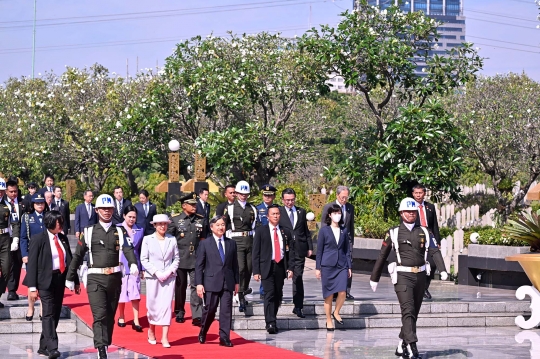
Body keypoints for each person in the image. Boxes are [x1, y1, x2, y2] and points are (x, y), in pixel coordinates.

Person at [370, 198, 448, 359]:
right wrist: (374, 278)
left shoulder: (425, 231)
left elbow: (434, 251)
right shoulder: (394, 232)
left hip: (420, 276)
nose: (411, 214)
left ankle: (401, 344)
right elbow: (382, 255)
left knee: (414, 313)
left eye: (413, 212)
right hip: (402, 276)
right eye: (408, 211)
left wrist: (443, 270)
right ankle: (412, 347)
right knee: (408, 310)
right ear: (401, 213)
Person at [65, 194, 138, 359]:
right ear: (97, 210)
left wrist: (133, 263)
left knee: (110, 316)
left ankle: (104, 342)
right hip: (95, 279)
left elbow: (127, 249)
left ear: (113, 210)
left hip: (114, 278)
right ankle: (101, 349)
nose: (106, 211)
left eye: (109, 208)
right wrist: (70, 277)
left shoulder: (119, 230)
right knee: (99, 315)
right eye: (103, 208)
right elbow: (78, 255)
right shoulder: (89, 232)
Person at [25, 210, 80, 359]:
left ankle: (43, 346)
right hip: (44, 281)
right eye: (58, 222)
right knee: (48, 313)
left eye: (62, 221)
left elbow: (69, 260)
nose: (61, 225)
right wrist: (32, 288)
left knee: (55, 313)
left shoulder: (62, 238)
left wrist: (75, 280)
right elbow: (32, 265)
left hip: (59, 279)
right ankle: (53, 347)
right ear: (50, 223)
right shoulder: (38, 239)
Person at [196, 215, 239, 347]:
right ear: (212, 227)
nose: (221, 227)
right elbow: (199, 265)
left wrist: (237, 282)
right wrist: (199, 283)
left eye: (223, 225)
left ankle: (224, 337)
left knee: (226, 311)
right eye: (218, 225)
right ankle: (203, 331)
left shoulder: (231, 243)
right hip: (211, 282)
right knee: (210, 310)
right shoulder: (204, 243)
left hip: (228, 281)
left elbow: (235, 265)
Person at [252, 204, 294, 334]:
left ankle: (273, 316)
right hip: (266, 266)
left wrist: (290, 267)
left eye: (277, 214)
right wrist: (256, 271)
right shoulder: (261, 231)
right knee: (269, 294)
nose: (276, 216)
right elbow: (256, 252)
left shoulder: (285, 231)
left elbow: (290, 252)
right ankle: (270, 322)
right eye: (273, 214)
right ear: (267, 216)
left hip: (280, 266)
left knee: (277, 294)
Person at [140, 214, 179, 348]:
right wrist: (156, 272)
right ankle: (151, 330)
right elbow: (144, 259)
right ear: (155, 225)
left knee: (166, 306)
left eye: (165, 224)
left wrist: (169, 272)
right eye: (159, 224)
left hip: (169, 278)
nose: (163, 226)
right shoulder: (147, 239)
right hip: (153, 277)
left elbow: (176, 259)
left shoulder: (172, 239)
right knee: (153, 306)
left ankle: (164, 337)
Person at [167, 192, 206, 325]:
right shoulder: (175, 220)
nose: (194, 206)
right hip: (180, 258)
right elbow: (169, 240)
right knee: (180, 286)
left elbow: (203, 239)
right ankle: (179, 312)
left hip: (196, 257)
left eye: (195, 204)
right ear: (184, 206)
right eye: (191, 204)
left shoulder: (200, 219)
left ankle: (197, 315)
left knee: (197, 286)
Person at [316, 203, 352, 331]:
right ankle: (328, 320)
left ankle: (336, 312)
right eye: (335, 213)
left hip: (341, 264)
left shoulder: (344, 230)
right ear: (330, 215)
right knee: (329, 295)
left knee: (342, 291)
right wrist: (317, 267)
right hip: (327, 265)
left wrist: (349, 266)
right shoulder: (324, 230)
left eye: (339, 213)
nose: (337, 215)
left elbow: (347, 250)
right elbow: (319, 250)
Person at [278, 188, 313, 318]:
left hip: (299, 249)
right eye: (287, 200)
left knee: (298, 278)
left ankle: (298, 306)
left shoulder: (301, 211)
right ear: (283, 200)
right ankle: (277, 303)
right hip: (283, 251)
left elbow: (305, 231)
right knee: (279, 278)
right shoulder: (278, 212)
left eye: (292, 200)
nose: (290, 202)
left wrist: (309, 247)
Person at [225, 180, 257, 312]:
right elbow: (225, 224)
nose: (243, 196)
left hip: (249, 239)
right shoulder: (231, 208)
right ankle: (240, 294)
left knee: (249, 267)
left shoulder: (252, 208)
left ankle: (243, 290)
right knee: (241, 268)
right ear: (236, 193)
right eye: (241, 193)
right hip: (236, 239)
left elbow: (255, 225)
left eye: (246, 194)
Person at [321, 185, 355, 300]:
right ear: (337, 195)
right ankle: (334, 291)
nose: (344, 200)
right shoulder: (329, 207)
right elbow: (324, 225)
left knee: (348, 265)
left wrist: (351, 243)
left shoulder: (350, 207)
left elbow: (351, 227)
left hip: (346, 241)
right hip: (332, 242)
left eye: (346, 197)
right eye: (342, 197)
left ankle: (346, 291)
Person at [116, 205, 145, 332]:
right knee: (121, 292)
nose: (132, 219)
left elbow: (142, 250)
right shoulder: (117, 228)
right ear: (124, 216)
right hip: (120, 263)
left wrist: (142, 268)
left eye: (134, 217)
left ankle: (136, 319)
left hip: (135, 264)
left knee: (135, 293)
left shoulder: (140, 230)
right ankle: (121, 316)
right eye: (129, 217)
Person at [20, 193, 47, 321]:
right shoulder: (27, 218)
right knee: (32, 282)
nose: (40, 205)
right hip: (32, 254)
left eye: (42, 203)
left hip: (46, 254)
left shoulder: (48, 216)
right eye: (37, 203)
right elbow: (23, 238)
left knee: (43, 282)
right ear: (33, 204)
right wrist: (24, 254)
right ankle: (31, 307)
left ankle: (43, 308)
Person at [412, 184, 441, 300]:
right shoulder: (409, 207)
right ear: (413, 194)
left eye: (420, 193)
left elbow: (434, 225)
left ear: (424, 193)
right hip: (416, 239)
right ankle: (416, 288)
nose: (418, 195)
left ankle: (424, 287)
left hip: (429, 239)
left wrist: (437, 241)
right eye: (416, 193)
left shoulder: (430, 207)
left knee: (433, 264)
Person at [255, 184, 277, 299]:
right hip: (263, 242)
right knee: (264, 266)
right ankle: (263, 291)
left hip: (276, 240)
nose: (267, 197)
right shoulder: (257, 209)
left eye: (270, 195)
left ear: (274, 196)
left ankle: (274, 290)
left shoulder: (277, 209)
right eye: (265, 195)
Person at [0, 178, 17, 308]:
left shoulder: (8, 205)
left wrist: (15, 238)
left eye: (1, 191)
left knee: (6, 270)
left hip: (5, 239)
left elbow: (15, 223)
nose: (0, 193)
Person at [5, 178, 23, 301]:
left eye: (15, 191)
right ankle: (10, 290)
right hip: (6, 238)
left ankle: (13, 289)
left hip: (20, 238)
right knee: (7, 264)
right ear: (6, 191)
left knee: (17, 264)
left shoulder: (23, 203)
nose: (13, 194)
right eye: (11, 191)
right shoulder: (3, 204)